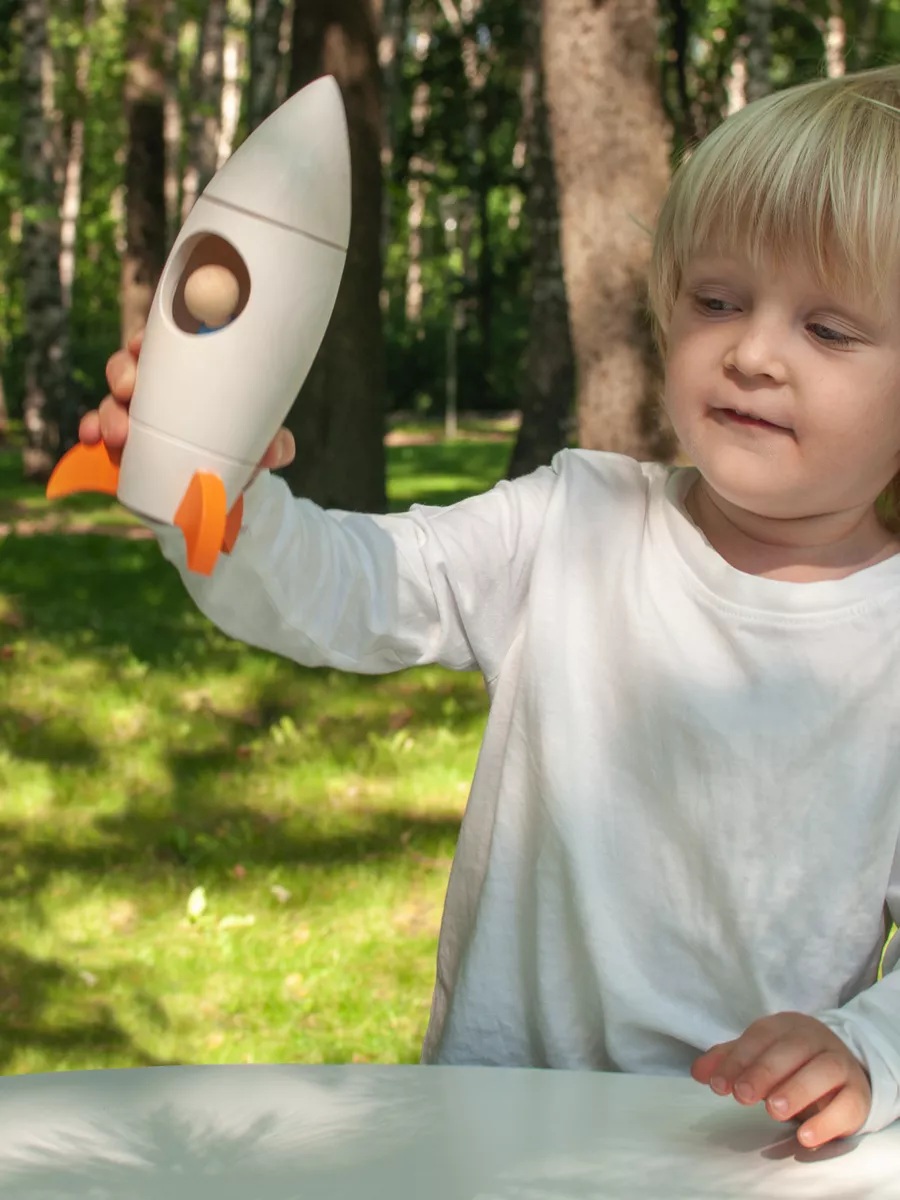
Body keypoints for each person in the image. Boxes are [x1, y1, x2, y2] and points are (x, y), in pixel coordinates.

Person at [80, 65, 900, 1148]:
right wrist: (222, 496)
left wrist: (864, 1050)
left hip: (742, 1155)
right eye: (717, 301)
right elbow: (348, 591)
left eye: (829, 329)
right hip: (492, 1132)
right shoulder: (571, 520)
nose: (752, 352)